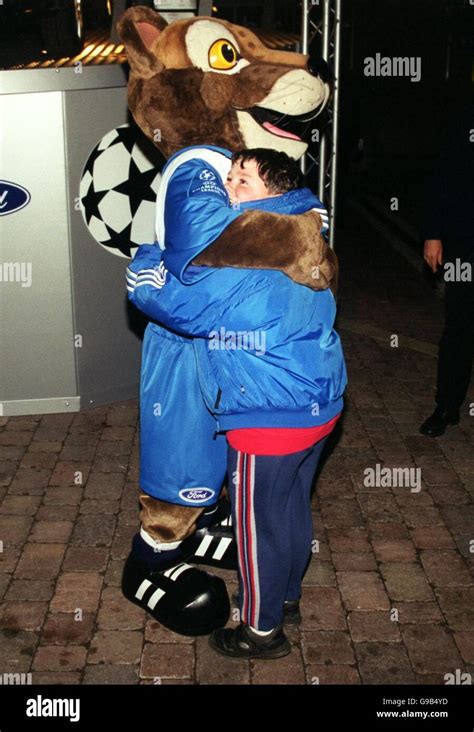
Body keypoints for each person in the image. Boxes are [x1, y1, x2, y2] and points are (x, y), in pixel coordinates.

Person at [127, 148, 347, 658]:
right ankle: (286, 596)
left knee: (255, 530)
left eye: (241, 180)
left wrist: (146, 259)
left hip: (267, 419)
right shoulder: (309, 236)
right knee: (289, 510)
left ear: (273, 192)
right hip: (317, 406)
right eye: (227, 177)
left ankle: (260, 630)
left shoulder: (253, 259)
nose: (228, 189)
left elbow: (172, 303)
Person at [420, 101, 474, 437]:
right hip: (467, 242)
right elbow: (442, 175)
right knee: (460, 326)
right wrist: (433, 233)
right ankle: (446, 406)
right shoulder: (464, 116)